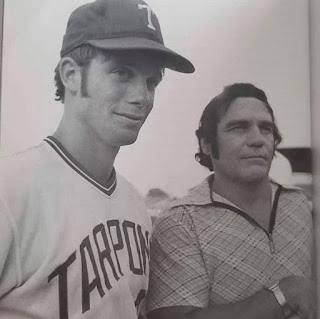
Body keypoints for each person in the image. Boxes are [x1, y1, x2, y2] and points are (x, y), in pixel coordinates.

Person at [0, 0, 194, 318]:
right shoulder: (9, 191)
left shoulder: (136, 206)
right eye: (122, 72)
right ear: (71, 76)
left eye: (151, 82)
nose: (142, 96)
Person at [146, 83, 314, 319]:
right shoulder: (181, 222)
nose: (257, 139)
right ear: (206, 143)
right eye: (239, 128)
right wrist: (284, 293)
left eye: (266, 128)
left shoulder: (298, 204)